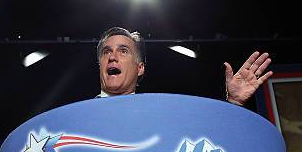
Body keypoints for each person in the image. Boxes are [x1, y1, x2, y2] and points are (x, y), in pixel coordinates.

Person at [96, 27, 273, 103]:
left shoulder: (161, 113)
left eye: (123, 51)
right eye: (106, 52)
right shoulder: (76, 118)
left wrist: (234, 103)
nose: (112, 57)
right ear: (100, 64)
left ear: (140, 68)